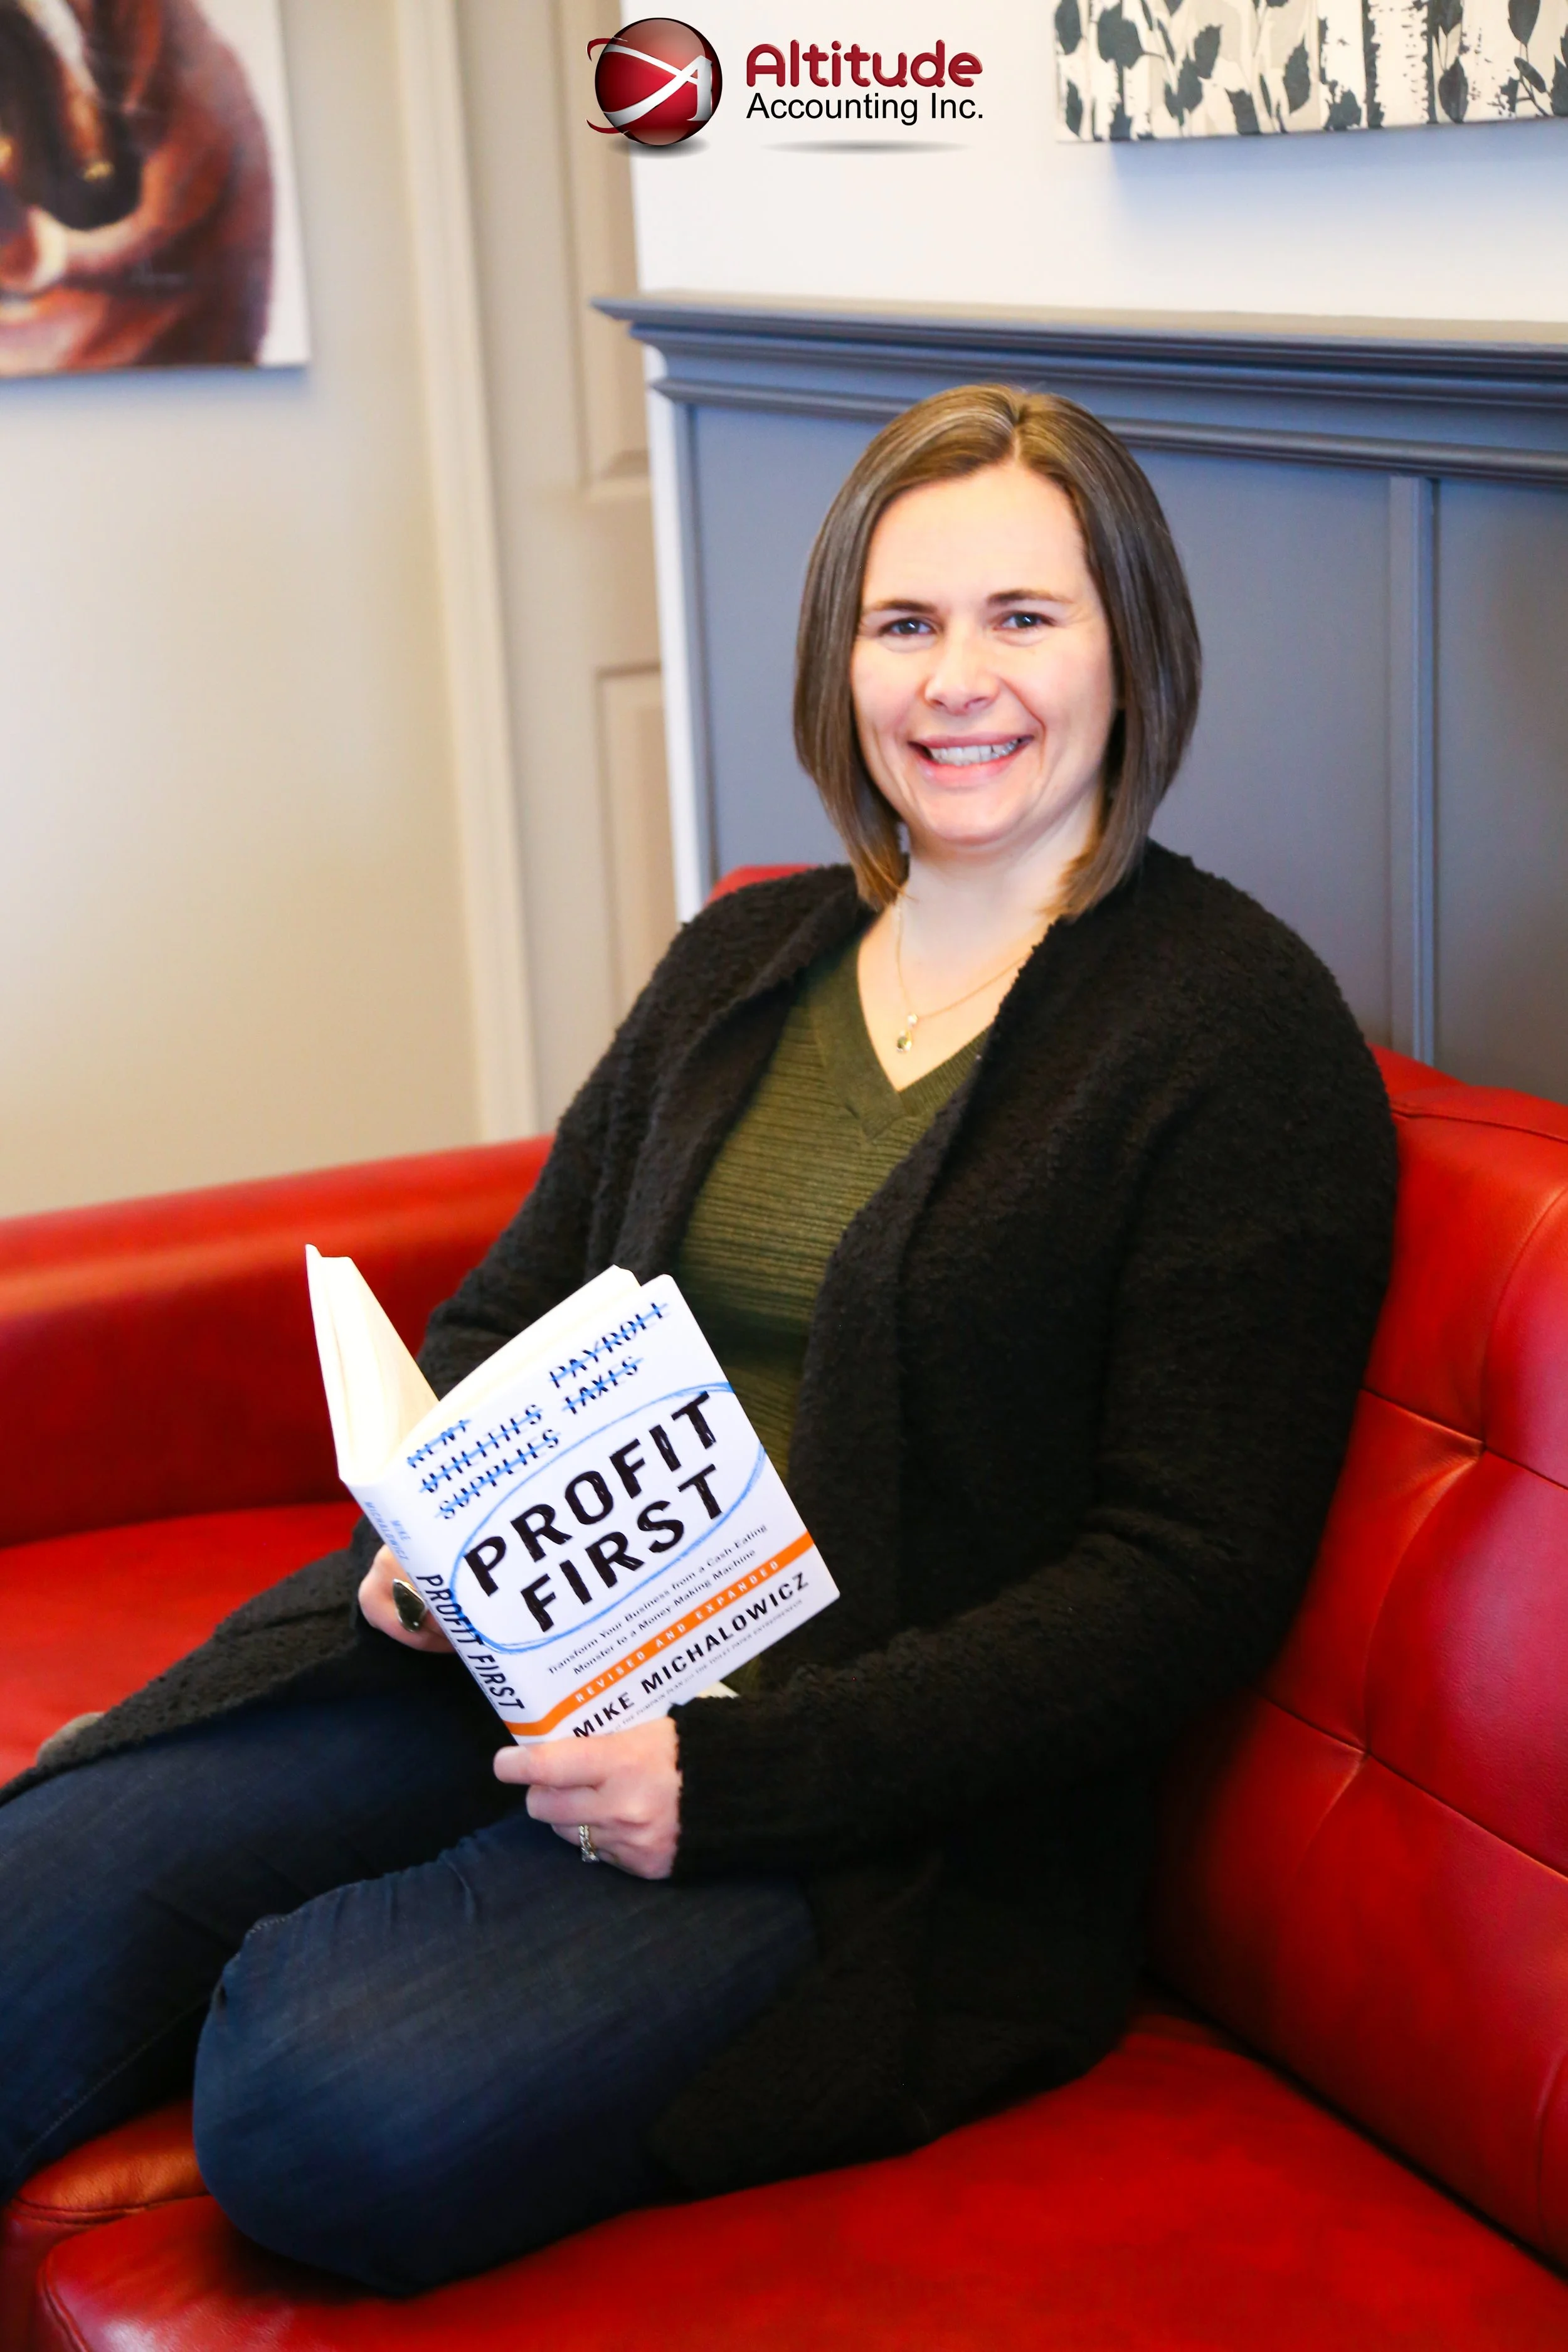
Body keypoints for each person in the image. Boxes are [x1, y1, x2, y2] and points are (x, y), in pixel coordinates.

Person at [0, 386, 1396, 2291]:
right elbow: (510, 1308)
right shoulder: (746, 963)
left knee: (323, 2105)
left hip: (845, 1819)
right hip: (515, 1671)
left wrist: (734, 1780)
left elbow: (1181, 1580)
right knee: (28, 1899)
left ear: (1130, 645)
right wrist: (424, 1540)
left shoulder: (1234, 1035)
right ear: (840, 658)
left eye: (1021, 616)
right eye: (900, 623)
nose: (953, 680)